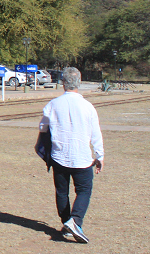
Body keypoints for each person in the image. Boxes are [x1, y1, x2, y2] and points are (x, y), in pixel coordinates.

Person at [38, 67, 105, 244]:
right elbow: (95, 133)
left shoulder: (52, 105)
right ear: (79, 83)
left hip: (59, 155)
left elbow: (42, 128)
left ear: (63, 83)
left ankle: (67, 223)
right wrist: (99, 155)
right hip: (81, 157)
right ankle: (75, 221)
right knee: (84, 190)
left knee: (62, 191)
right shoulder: (88, 107)